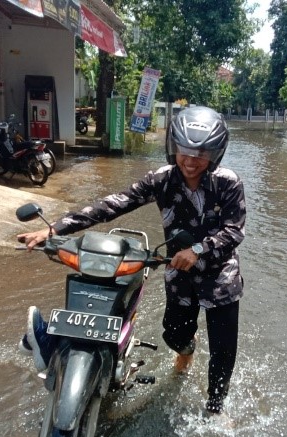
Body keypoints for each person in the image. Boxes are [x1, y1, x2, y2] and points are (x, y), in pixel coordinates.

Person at [18, 106, 245, 414]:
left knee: (223, 350)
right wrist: (56, 228)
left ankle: (216, 408)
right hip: (177, 273)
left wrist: (199, 250)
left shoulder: (228, 183)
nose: (191, 162)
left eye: (200, 155)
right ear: (173, 147)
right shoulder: (162, 179)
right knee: (173, 334)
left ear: (215, 154)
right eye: (184, 153)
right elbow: (115, 204)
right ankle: (187, 350)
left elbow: (234, 231)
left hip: (220, 278)